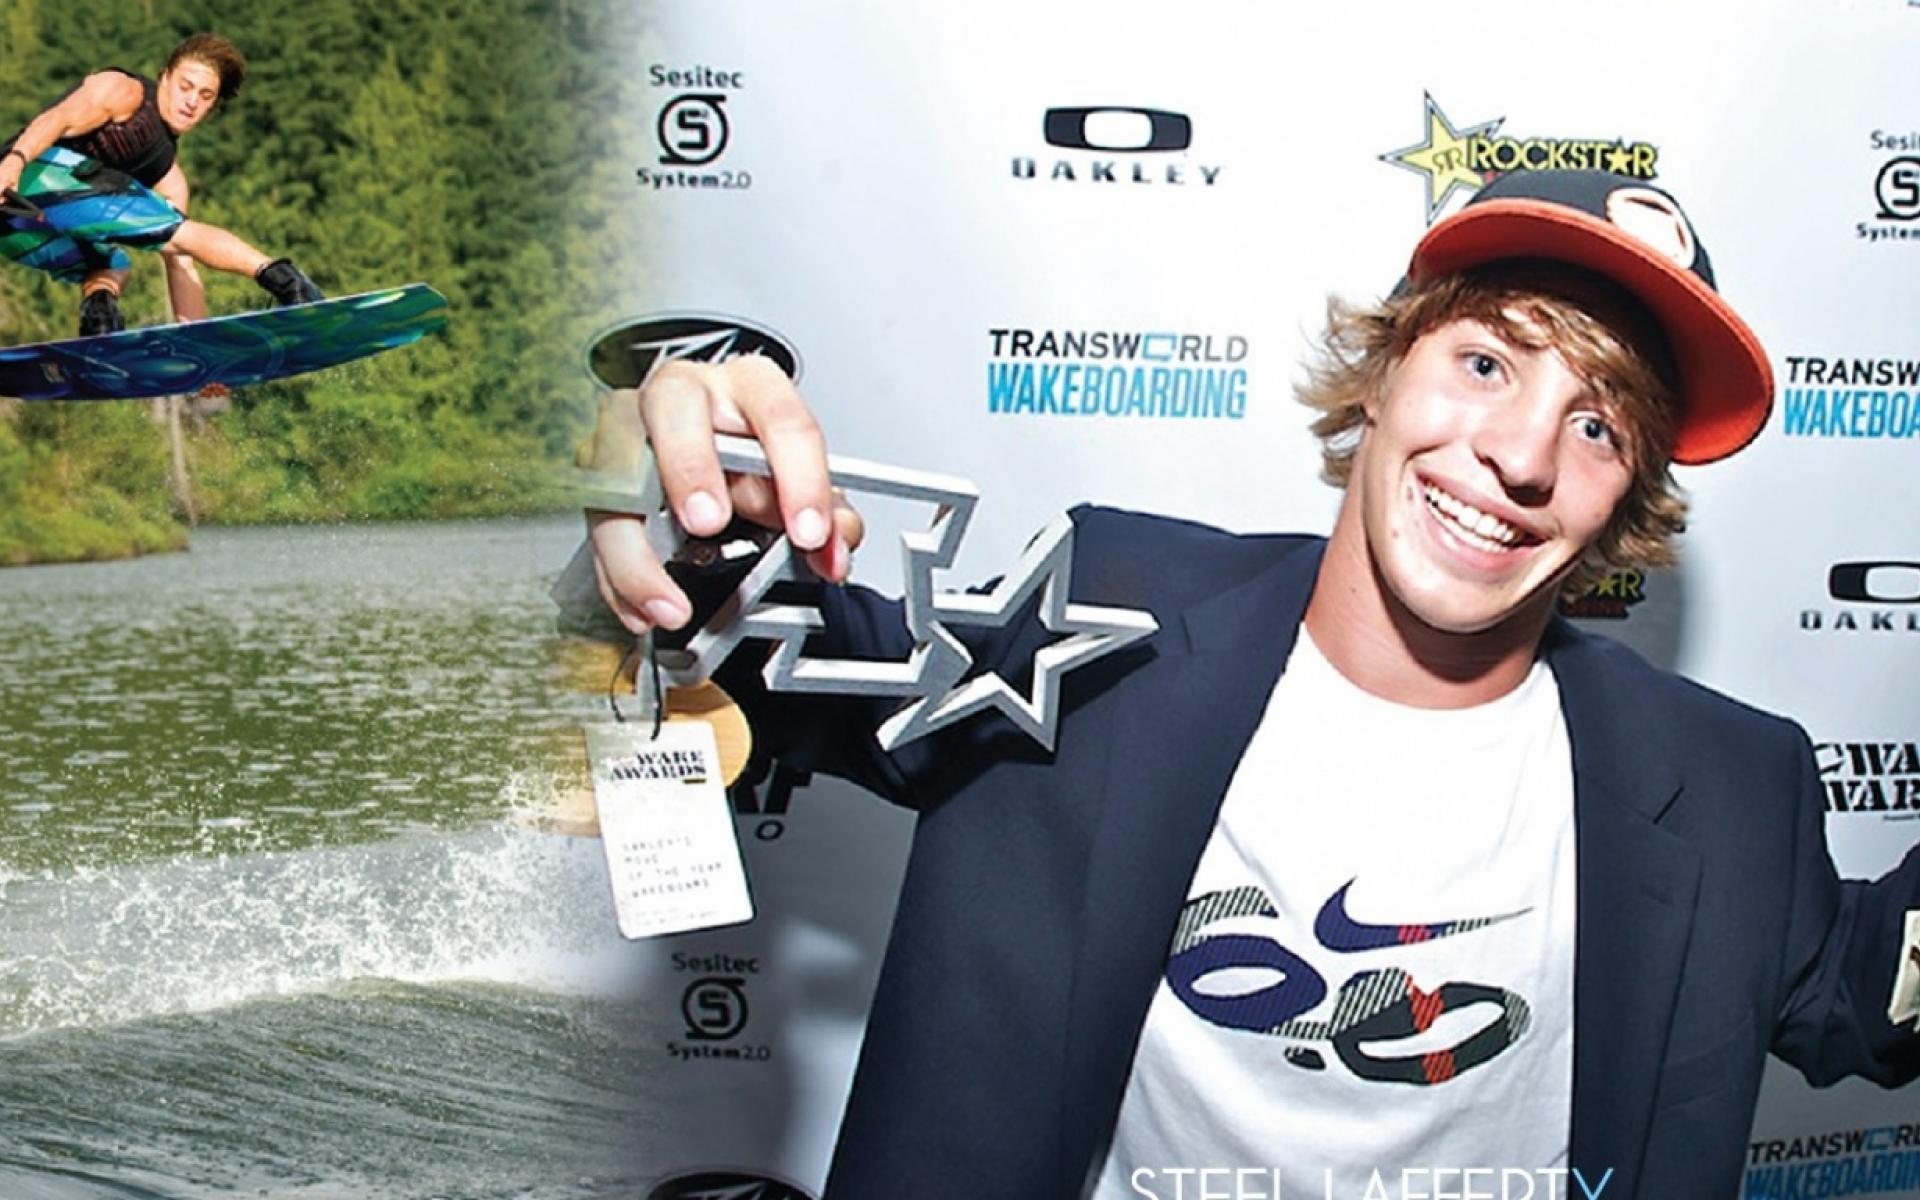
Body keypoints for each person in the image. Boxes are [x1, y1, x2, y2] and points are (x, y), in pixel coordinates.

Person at [564, 170, 1920, 1198]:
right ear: (1383, 375)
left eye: (1598, 424)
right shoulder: (1105, 625)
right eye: (1486, 363)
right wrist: (670, 533)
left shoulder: (1727, 782)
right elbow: (746, 667)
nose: (1520, 457)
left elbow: (1865, 998)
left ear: (1626, 497)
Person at [0, 33, 322, 337]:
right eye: (185, 86)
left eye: (205, 96)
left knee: (114, 264)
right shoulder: (124, 90)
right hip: (21, 180)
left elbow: (180, 258)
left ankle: (100, 322)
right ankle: (288, 283)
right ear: (165, 77)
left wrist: (196, 344)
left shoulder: (169, 177)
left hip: (15, 225)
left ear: (212, 108)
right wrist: (14, 162)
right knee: (173, 227)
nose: (191, 102)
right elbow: (56, 119)